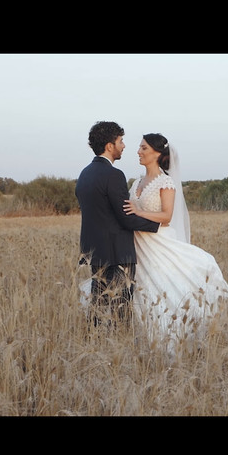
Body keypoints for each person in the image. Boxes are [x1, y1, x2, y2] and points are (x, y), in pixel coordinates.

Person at [122, 133, 228, 357]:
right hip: (137, 246)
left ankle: (171, 343)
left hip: (157, 242)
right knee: (142, 294)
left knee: (161, 290)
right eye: (139, 148)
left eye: (143, 148)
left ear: (157, 153)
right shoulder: (135, 183)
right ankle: (142, 346)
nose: (138, 152)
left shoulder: (166, 182)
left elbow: (166, 216)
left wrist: (138, 211)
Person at [75, 121, 160, 327]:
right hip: (117, 253)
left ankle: (97, 345)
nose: (123, 146)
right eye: (121, 141)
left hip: (94, 253)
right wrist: (157, 226)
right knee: (121, 309)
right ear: (109, 146)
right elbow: (125, 217)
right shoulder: (113, 175)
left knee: (98, 307)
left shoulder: (84, 174)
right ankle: (119, 343)